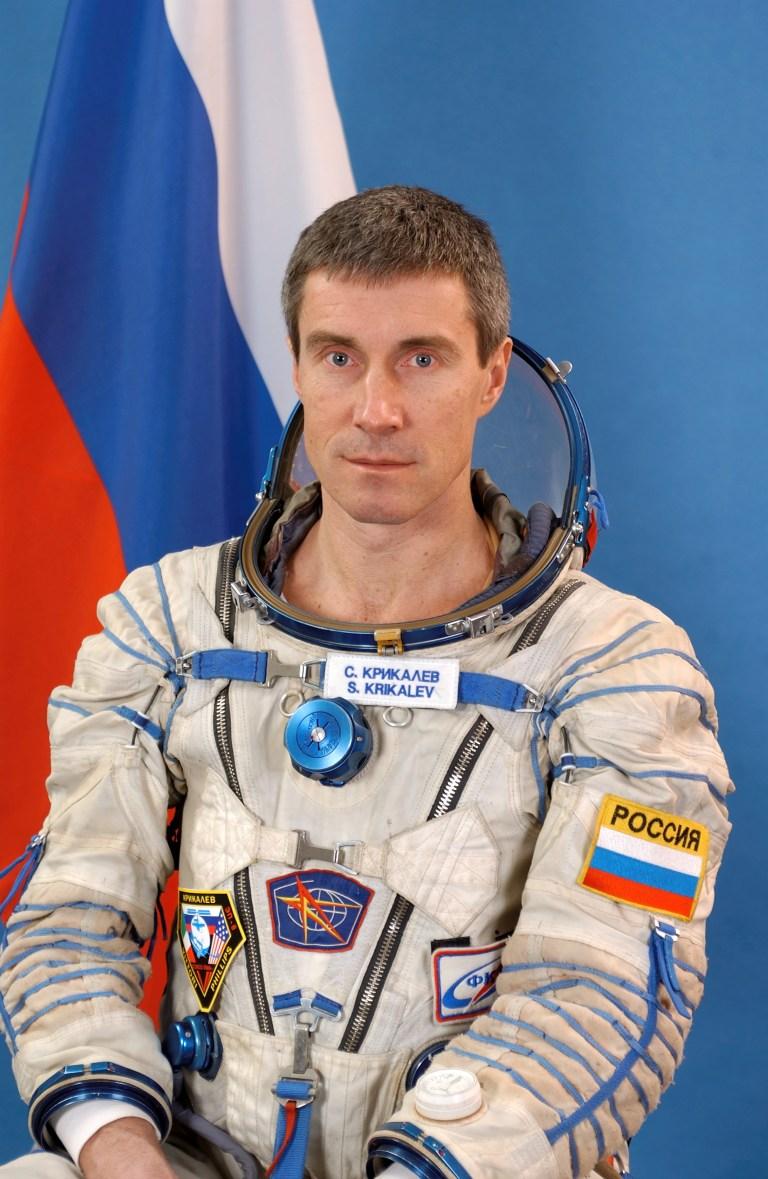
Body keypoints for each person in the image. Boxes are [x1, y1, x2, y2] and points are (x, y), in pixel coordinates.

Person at [0, 187, 732, 1179]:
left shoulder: (619, 671)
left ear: (491, 374)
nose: (375, 410)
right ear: (298, 366)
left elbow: (606, 990)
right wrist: (118, 1146)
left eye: (421, 359)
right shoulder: (167, 627)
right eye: (339, 357)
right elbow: (69, 918)